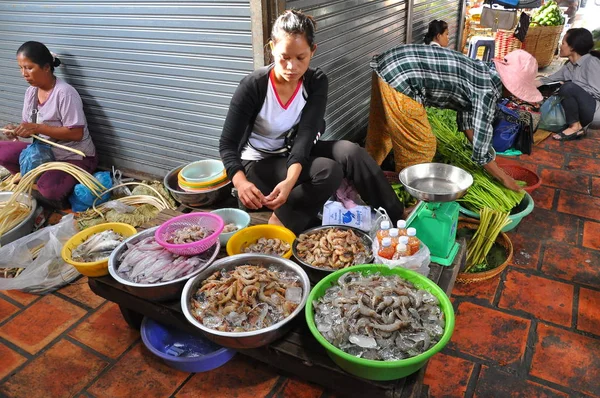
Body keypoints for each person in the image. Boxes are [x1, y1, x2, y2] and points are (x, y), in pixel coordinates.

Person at [219, 10, 404, 234]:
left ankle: (397, 216)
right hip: (259, 163)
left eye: (300, 58)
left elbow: (306, 135)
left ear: (312, 51)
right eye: (284, 57)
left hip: (292, 151)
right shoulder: (254, 86)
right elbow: (227, 144)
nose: (291, 67)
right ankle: (282, 218)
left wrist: (289, 180)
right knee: (328, 172)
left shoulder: (315, 81)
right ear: (272, 48)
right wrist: (240, 183)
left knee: (351, 152)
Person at [365, 46, 543, 192]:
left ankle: (362, 178)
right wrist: (504, 179)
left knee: (381, 132)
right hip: (401, 77)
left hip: (389, 65)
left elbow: (466, 117)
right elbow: (481, 154)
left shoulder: (484, 73)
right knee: (422, 146)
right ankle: (409, 197)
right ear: (512, 85)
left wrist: (480, 149)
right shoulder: (488, 92)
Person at [0, 41, 97, 207]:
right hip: (45, 152)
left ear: (46, 67)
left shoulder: (65, 93)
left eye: (29, 68)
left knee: (49, 188)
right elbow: (29, 126)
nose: (24, 73)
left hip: (73, 156)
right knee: (2, 149)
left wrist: (38, 128)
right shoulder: (31, 92)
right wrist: (16, 131)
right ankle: (33, 178)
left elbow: (76, 133)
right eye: (21, 68)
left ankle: (42, 184)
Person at [536, 28, 600, 140]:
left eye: (563, 43)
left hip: (594, 112)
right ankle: (576, 124)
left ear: (572, 47)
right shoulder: (568, 65)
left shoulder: (591, 62)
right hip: (582, 110)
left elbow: (597, 91)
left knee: (567, 87)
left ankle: (575, 127)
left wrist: (572, 87)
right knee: (562, 87)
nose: (560, 46)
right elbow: (548, 80)